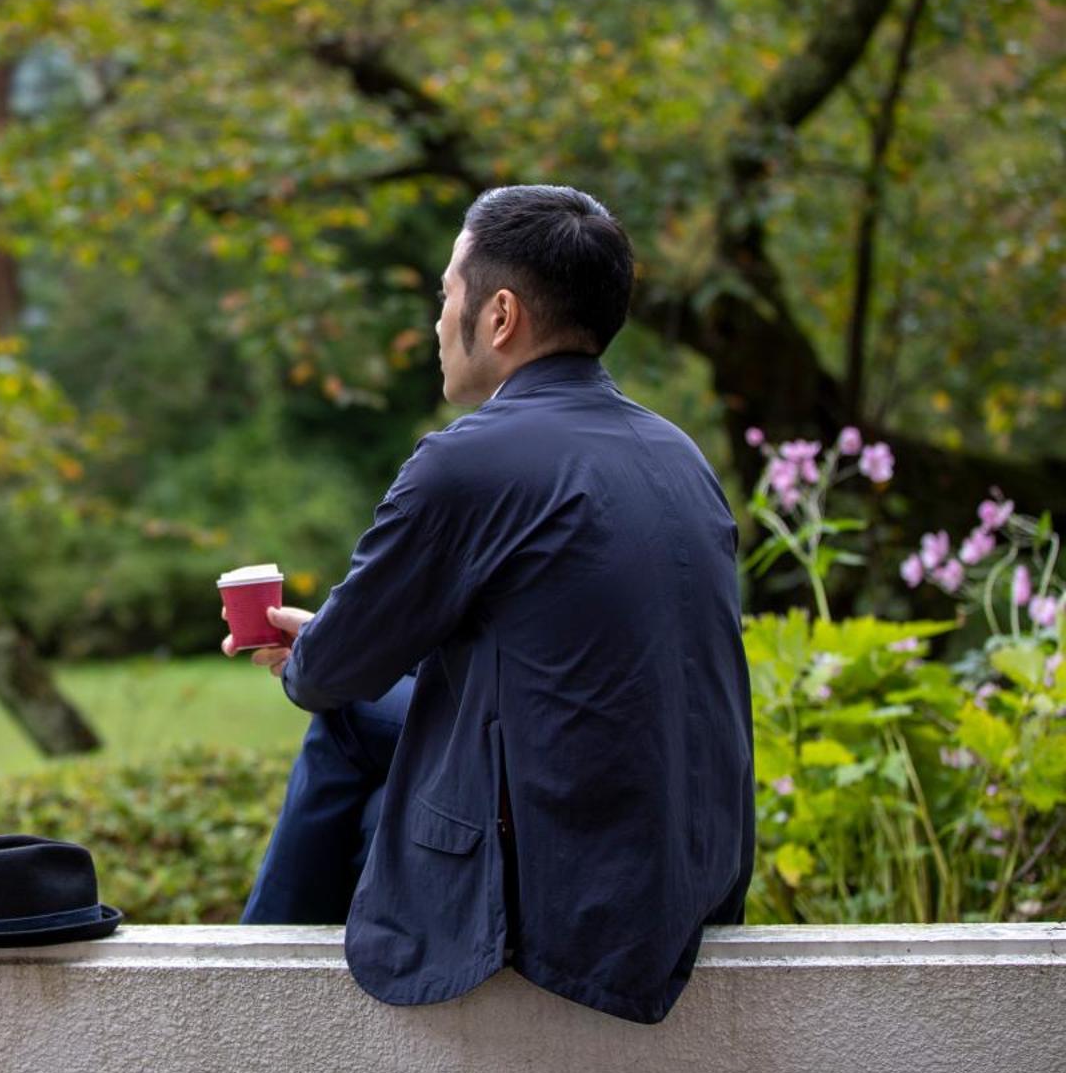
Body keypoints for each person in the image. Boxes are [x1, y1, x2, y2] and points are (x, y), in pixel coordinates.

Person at [228, 184, 754, 1025]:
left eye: (447, 293)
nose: (441, 319)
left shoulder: (467, 464)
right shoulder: (677, 453)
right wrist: (331, 648)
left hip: (576, 881)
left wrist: (314, 654)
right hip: (688, 858)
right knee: (371, 756)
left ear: (499, 314)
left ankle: (249, 992)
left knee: (341, 730)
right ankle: (259, 972)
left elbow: (330, 675)